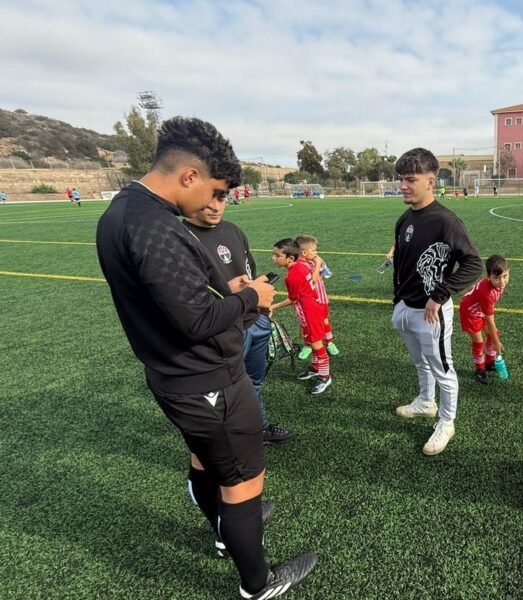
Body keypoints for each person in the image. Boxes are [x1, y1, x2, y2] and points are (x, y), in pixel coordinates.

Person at [96, 116, 316, 599]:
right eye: (216, 190)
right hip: (205, 379)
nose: (219, 202)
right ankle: (258, 583)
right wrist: (251, 299)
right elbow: (196, 322)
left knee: (205, 459)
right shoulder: (155, 227)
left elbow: (174, 302)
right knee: (242, 480)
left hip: (174, 376)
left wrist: (231, 294)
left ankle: (225, 533)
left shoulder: (120, 212)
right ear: (189, 175)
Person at [182, 193, 296, 445]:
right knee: (225, 390)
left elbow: (248, 271)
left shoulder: (233, 230)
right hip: (223, 328)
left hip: (255, 320)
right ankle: (229, 441)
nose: (215, 206)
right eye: (208, 198)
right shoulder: (179, 237)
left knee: (253, 382)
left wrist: (262, 307)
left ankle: (260, 428)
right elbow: (183, 298)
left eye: (221, 198)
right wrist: (226, 291)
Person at [391, 147, 481, 456]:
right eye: (401, 179)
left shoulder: (446, 220)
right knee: (420, 362)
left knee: (443, 367)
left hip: (432, 311)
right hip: (406, 307)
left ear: (430, 181)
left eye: (410, 179)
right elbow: (401, 263)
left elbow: (473, 264)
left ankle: (447, 421)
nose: (403, 185)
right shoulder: (404, 219)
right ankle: (425, 403)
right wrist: (397, 300)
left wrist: (439, 295)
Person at [270, 237, 334, 395]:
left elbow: (292, 299)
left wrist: (273, 306)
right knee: (310, 342)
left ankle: (325, 376)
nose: (274, 258)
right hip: (311, 309)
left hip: (309, 312)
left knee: (317, 345)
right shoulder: (301, 265)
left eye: (277, 255)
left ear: (290, 257)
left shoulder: (291, 276)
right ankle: (315, 368)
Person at [287, 235, 340, 362]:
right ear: (304, 252)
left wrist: (322, 264)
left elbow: (326, 274)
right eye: (314, 250)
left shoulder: (314, 261)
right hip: (309, 301)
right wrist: (317, 264)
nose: (316, 253)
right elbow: (313, 279)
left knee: (325, 321)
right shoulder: (300, 265)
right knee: (306, 325)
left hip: (321, 298)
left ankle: (330, 343)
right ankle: (308, 345)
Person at [458, 255, 510, 384]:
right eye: (497, 278)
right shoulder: (486, 293)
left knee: (493, 335)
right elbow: (490, 320)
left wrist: (495, 338)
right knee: (479, 342)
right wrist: (497, 343)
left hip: (480, 310)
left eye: (505, 276)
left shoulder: (498, 286)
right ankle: (479, 370)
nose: (502, 281)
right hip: (470, 313)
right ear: (488, 277)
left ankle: (489, 361)